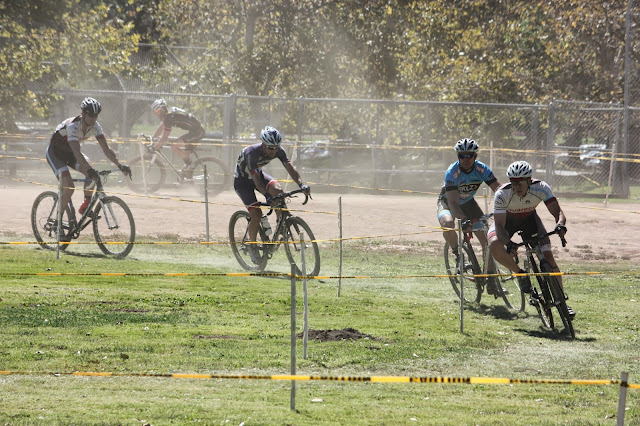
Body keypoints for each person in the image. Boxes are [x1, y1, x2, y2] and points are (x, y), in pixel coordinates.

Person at [487, 160, 573, 317]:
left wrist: (560, 225)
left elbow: (558, 212)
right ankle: (520, 274)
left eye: (520, 182)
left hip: (530, 221)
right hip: (507, 223)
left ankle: (562, 302)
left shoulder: (541, 187)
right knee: (493, 244)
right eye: (513, 182)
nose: (517, 187)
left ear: (529, 180)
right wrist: (508, 242)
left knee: (549, 258)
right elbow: (499, 226)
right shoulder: (502, 193)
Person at [46, 97, 132, 228]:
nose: (93, 118)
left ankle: (85, 206)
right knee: (69, 186)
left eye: (96, 116)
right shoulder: (73, 126)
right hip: (56, 153)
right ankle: (58, 222)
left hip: (70, 154)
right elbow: (76, 151)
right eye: (91, 115)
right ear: (83, 113)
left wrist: (120, 165)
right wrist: (88, 169)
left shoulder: (96, 126)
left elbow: (106, 150)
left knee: (92, 172)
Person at [234, 126, 311, 264]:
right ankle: (252, 246)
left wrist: (301, 185)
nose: (274, 151)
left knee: (279, 192)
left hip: (259, 176)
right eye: (271, 148)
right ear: (263, 144)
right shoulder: (251, 153)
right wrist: (266, 195)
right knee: (256, 215)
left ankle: (281, 225)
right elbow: (256, 180)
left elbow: (290, 169)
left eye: (276, 148)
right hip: (243, 182)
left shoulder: (278, 150)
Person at [437, 138, 501, 291]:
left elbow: (498, 188)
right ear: (458, 157)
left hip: (468, 203)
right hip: (448, 202)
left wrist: (507, 203)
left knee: (487, 240)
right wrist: (464, 219)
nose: (466, 159)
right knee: (448, 224)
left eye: (469, 156)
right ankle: (458, 255)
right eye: (462, 156)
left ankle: (490, 277)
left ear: (475, 156)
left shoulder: (481, 169)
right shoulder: (452, 173)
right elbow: (453, 203)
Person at [150, 98, 205, 177]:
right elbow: (161, 127)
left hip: (198, 132)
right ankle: (188, 176)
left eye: (158, 111)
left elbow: (164, 137)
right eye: (155, 112)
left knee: (174, 145)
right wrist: (153, 138)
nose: (157, 114)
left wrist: (154, 148)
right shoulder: (169, 113)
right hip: (195, 131)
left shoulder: (169, 117)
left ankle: (189, 166)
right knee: (186, 155)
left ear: (163, 108)